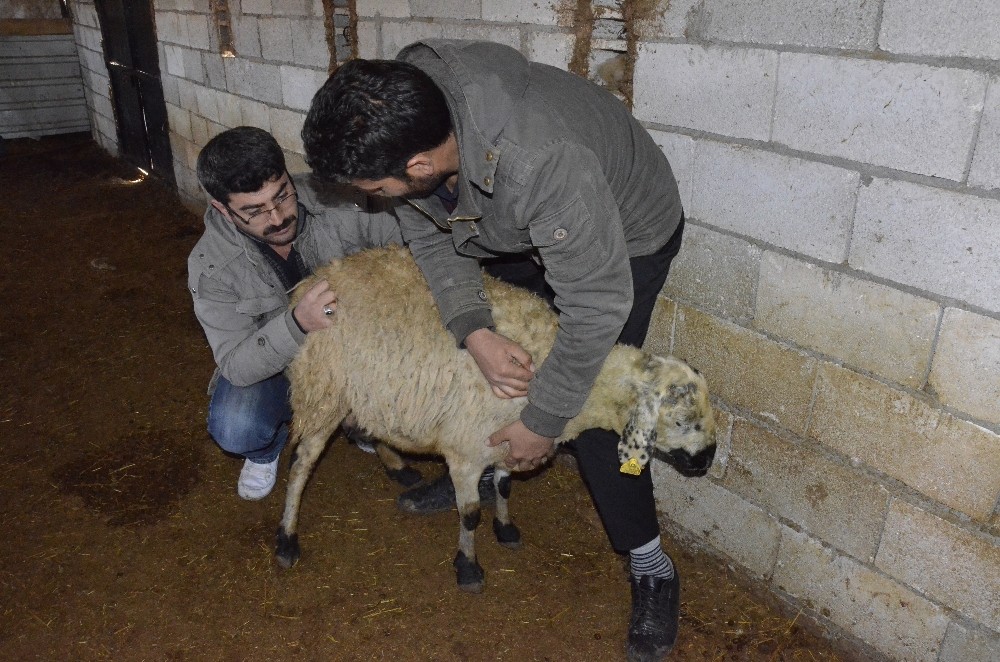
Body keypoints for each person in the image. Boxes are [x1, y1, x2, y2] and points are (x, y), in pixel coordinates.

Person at [302, 40, 688, 661]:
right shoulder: (412, 105)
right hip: (507, 218)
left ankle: (649, 559)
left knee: (598, 403)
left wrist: (542, 421)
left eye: (373, 187)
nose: (371, 198)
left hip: (623, 237)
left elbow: (595, 306)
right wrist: (474, 330)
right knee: (478, 352)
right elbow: (431, 238)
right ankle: (473, 474)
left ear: (422, 165)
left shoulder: (542, 160)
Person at [188, 126, 403, 501]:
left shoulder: (339, 200)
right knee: (236, 427)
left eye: (283, 195)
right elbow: (237, 365)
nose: (277, 218)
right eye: (254, 211)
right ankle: (265, 449)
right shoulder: (210, 266)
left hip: (360, 344)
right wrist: (298, 324)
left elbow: (405, 250)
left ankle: (357, 416)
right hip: (281, 363)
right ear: (221, 208)